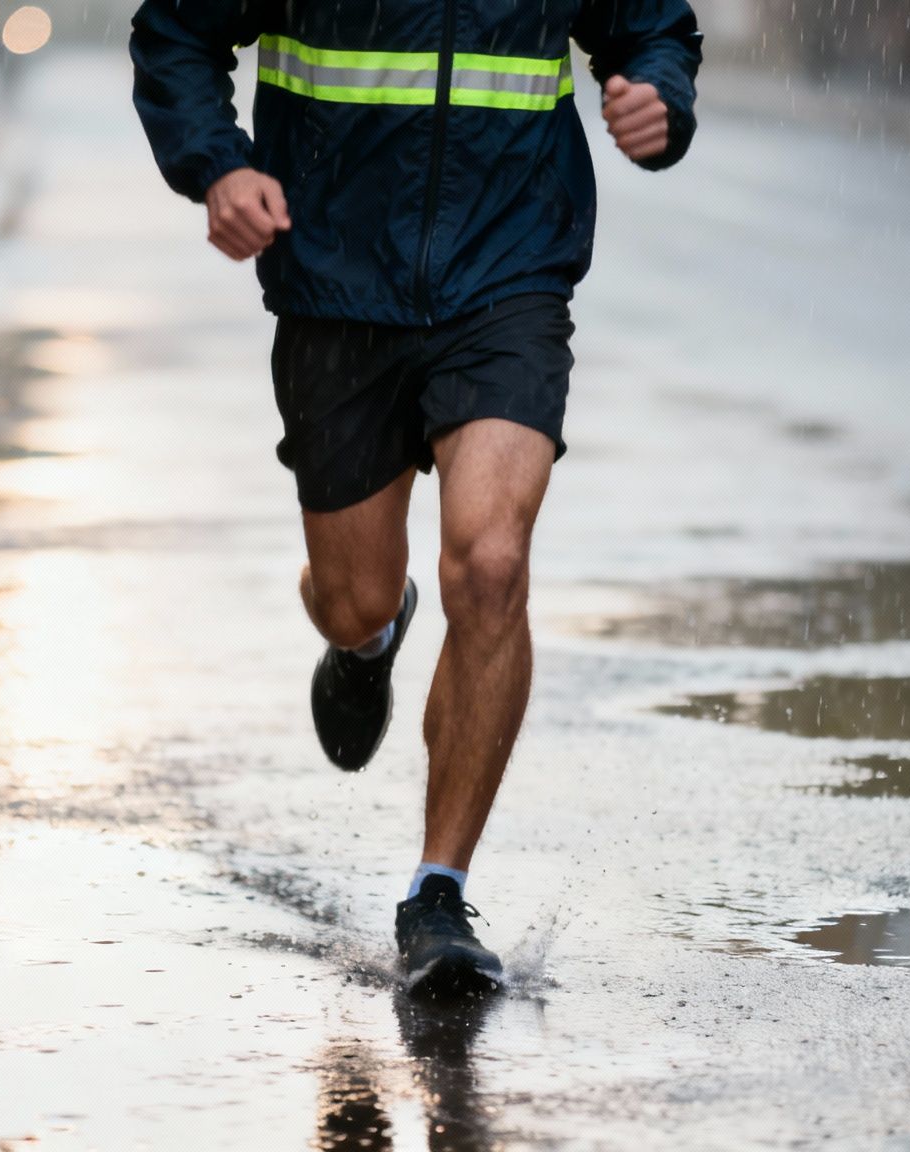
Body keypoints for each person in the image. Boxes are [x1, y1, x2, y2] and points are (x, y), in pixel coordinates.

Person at [129, 0, 701, 994]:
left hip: (508, 276)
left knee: (490, 563)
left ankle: (438, 892)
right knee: (350, 595)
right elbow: (176, 29)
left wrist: (660, 96)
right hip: (335, 285)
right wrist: (216, 165)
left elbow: (651, 24)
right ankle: (367, 634)